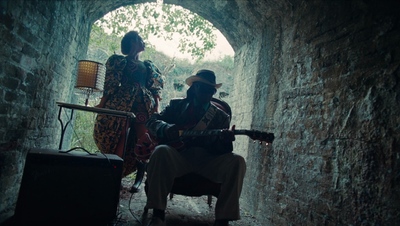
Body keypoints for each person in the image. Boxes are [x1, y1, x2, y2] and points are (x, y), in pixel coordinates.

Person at [144, 69, 246, 226]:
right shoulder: (176, 106)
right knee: (160, 151)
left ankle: (223, 220)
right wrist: (165, 127)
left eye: (210, 89)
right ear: (194, 88)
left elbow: (223, 151)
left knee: (237, 161)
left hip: (208, 162)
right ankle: (158, 214)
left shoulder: (220, 116)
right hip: (179, 158)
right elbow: (152, 122)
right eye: (202, 87)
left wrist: (225, 140)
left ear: (214, 91)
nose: (207, 92)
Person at [93, 31, 164, 190]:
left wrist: (156, 107)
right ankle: (114, 174)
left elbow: (155, 87)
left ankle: (139, 179)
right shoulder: (119, 62)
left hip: (143, 105)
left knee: (144, 140)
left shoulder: (148, 65)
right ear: (132, 42)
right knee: (121, 137)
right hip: (121, 103)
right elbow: (110, 83)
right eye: (140, 39)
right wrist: (102, 103)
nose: (143, 42)